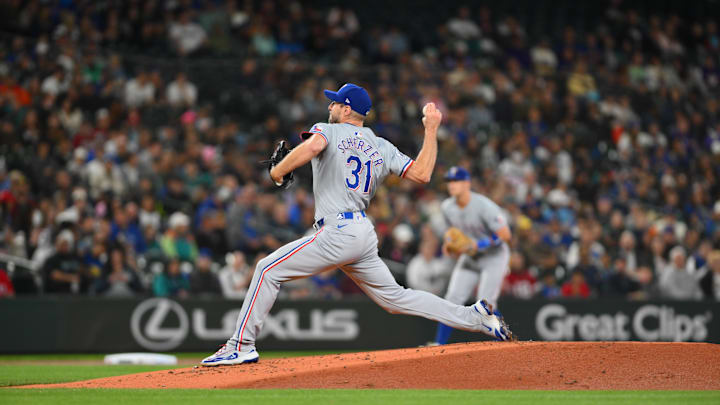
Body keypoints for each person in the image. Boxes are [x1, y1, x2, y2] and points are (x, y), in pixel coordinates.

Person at [201, 83, 513, 366]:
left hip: (337, 230)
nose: (330, 107)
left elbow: (311, 147)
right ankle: (475, 318)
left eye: (335, 103)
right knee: (396, 298)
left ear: (347, 108)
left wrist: (277, 172)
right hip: (362, 232)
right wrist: (431, 130)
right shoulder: (381, 145)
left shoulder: (328, 129)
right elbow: (423, 174)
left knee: (267, 269)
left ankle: (240, 345)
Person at [431, 166, 513, 346]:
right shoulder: (447, 207)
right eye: (449, 181)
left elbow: (506, 235)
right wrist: (449, 245)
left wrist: (480, 244)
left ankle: (508, 341)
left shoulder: (484, 205)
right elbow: (453, 233)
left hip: (494, 256)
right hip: (470, 257)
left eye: (456, 181)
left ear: (467, 183)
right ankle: (438, 345)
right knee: (452, 300)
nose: (452, 185)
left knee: (486, 305)